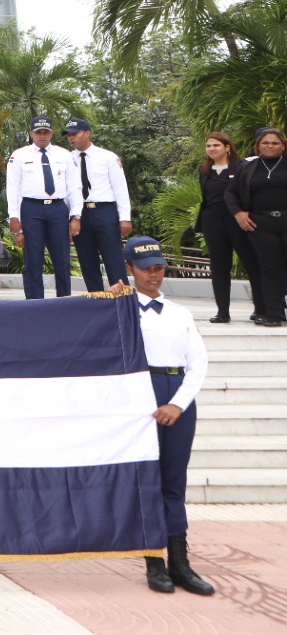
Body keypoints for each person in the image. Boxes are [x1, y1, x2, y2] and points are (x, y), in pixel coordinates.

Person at [111, 237, 215, 596]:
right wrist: (111, 298)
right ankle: (154, 562)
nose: (153, 275)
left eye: (158, 269)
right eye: (146, 269)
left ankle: (181, 563)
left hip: (176, 395)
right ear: (130, 270)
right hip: (140, 397)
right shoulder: (118, 308)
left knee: (173, 482)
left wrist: (179, 403)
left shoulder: (179, 313)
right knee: (146, 482)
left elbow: (198, 362)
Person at [5, 116, 82, 299]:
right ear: (31, 133)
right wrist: (14, 217)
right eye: (38, 132)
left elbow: (74, 187)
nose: (42, 136)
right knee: (33, 260)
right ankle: (34, 303)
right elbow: (13, 188)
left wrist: (76, 216)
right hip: (32, 209)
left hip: (57, 208)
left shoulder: (64, 155)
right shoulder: (19, 155)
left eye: (45, 132)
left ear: (51, 133)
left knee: (62, 259)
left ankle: (64, 301)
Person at [225, 126, 287, 327]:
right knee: (270, 269)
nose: (270, 146)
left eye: (275, 143)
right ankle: (274, 315)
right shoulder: (247, 167)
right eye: (265, 142)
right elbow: (231, 193)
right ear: (258, 146)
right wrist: (238, 213)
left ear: (283, 146)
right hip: (261, 224)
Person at [198, 131, 263, 323]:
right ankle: (222, 312)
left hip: (238, 220)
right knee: (219, 266)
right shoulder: (204, 170)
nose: (211, 149)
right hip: (212, 221)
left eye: (216, 145)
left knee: (252, 263)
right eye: (209, 145)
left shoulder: (243, 166)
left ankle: (261, 309)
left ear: (227, 147)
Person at [64, 117, 132, 293]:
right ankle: (96, 301)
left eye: (75, 134)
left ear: (87, 133)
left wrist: (125, 217)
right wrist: (70, 218)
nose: (71, 138)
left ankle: (123, 300)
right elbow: (65, 191)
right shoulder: (66, 160)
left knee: (114, 258)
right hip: (79, 214)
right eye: (69, 135)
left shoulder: (107, 157)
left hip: (104, 211)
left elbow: (120, 188)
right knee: (87, 261)